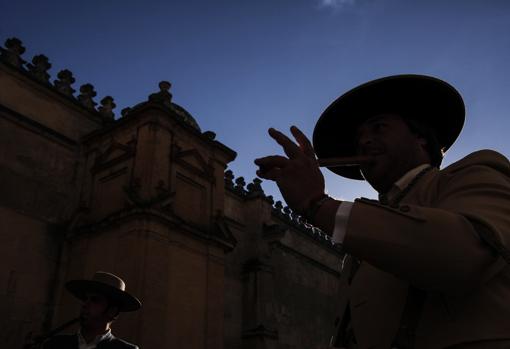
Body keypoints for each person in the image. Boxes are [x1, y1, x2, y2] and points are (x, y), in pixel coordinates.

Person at [254, 74, 510, 349]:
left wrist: (317, 204)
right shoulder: (359, 242)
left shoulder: (476, 172)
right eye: (358, 139)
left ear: (421, 138)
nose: (364, 141)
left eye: (378, 128)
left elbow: (464, 254)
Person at [43, 271, 142, 349]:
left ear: (112, 311)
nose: (85, 304)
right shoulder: (55, 344)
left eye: (95, 300)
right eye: (86, 299)